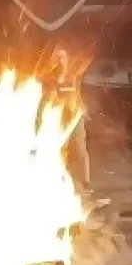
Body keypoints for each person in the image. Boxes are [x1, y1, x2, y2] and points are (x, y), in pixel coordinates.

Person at [44, 47, 91, 195]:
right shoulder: (49, 77)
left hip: (75, 117)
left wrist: (83, 109)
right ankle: (60, 180)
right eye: (57, 58)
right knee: (59, 149)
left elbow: (77, 94)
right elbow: (50, 98)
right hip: (59, 118)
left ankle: (85, 182)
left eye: (63, 57)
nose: (60, 61)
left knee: (80, 148)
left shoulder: (73, 75)